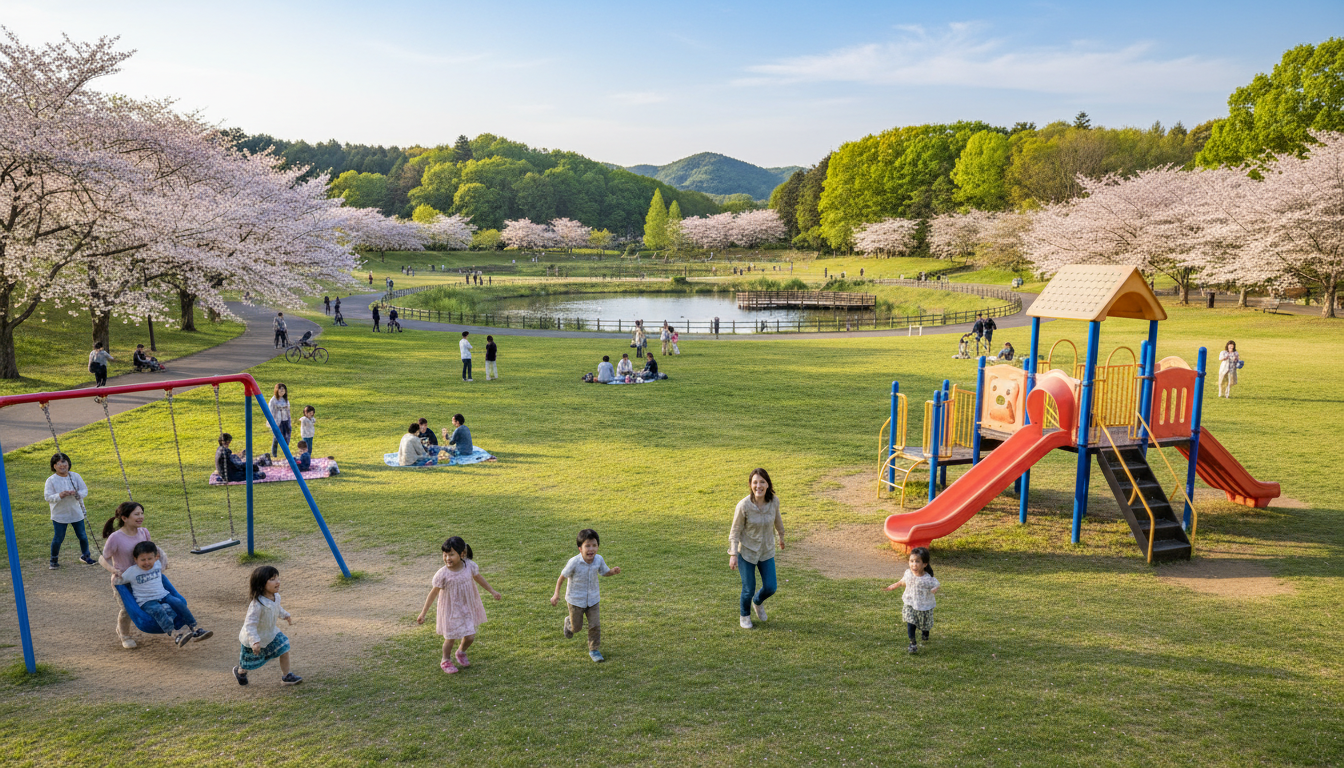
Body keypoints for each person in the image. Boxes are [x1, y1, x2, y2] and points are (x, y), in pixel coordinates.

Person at [416, 536, 502, 674]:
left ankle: (461, 652)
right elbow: (433, 594)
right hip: (450, 610)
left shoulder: (469, 566)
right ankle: (445, 660)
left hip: (466, 607)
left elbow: (479, 578)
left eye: (451, 554)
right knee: (450, 638)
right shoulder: (442, 574)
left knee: (470, 636)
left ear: (462, 554)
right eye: (445, 555)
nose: (447, 558)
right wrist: (423, 613)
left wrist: (492, 591)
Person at [120, 540, 212, 647]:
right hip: (146, 601)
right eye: (143, 560)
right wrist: (114, 573)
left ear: (156, 557)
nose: (147, 563)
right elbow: (119, 581)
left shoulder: (157, 564)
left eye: (150, 559)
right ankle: (175, 634)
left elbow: (163, 558)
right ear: (136, 559)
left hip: (163, 595)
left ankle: (195, 629)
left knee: (178, 602)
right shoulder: (131, 572)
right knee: (158, 610)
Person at [550, 528, 621, 663]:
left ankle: (594, 650)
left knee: (595, 625)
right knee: (576, 628)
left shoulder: (599, 560)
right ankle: (569, 623)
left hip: (593, 600)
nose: (591, 549)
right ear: (580, 548)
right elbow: (562, 577)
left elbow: (604, 572)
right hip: (575, 600)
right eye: (587, 545)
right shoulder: (574, 562)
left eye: (594, 545)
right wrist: (556, 594)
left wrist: (612, 571)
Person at [728, 468, 785, 629]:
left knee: (771, 587)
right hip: (746, 552)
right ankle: (744, 616)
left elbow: (777, 519)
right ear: (750, 485)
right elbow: (735, 532)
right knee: (748, 588)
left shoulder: (774, 501)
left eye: (762, 482)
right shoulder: (743, 506)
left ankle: (757, 602)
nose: (758, 485)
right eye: (755, 482)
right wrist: (733, 554)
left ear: (767, 484)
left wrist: (781, 536)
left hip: (766, 551)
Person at [99, 501, 160, 649]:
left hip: (142, 579)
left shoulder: (144, 532)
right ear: (125, 518)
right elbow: (103, 557)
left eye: (141, 513)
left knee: (148, 603)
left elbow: (150, 551)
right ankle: (124, 635)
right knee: (127, 609)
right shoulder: (116, 537)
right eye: (136, 514)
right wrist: (113, 570)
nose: (141, 517)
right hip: (123, 581)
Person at [233, 565, 301, 686]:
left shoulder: (276, 597)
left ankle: (286, 676)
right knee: (247, 663)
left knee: (284, 647)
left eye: (277, 578)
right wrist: (254, 641)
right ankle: (240, 672)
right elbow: (250, 624)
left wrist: (285, 615)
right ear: (260, 584)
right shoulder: (257, 605)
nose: (278, 582)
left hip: (271, 633)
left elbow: (277, 608)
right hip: (253, 637)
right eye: (272, 579)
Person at [45, 452, 96, 569]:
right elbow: (48, 497)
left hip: (76, 512)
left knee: (82, 536)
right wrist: (60, 495)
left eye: (64, 463)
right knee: (58, 538)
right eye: (58, 464)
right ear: (54, 466)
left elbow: (84, 490)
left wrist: (77, 494)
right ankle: (53, 559)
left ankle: (86, 556)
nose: (62, 466)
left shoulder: (75, 476)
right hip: (60, 515)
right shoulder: (51, 480)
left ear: (68, 464)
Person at [886, 546, 939, 654]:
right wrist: (895, 585)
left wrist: (934, 589)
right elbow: (903, 581)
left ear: (925, 564)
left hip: (924, 606)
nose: (913, 564)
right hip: (910, 603)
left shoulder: (927, 578)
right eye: (911, 561)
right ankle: (912, 643)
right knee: (911, 622)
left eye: (917, 561)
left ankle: (925, 632)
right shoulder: (908, 573)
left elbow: (936, 583)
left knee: (925, 624)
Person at [268, 383, 291, 458]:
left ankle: (286, 452)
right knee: (277, 436)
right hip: (278, 421)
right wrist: (273, 423)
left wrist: (289, 420)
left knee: (286, 435)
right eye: (280, 390)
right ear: (277, 390)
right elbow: (271, 412)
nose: (282, 392)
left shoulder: (285, 399)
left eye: (283, 390)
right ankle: (274, 452)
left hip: (285, 419)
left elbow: (288, 410)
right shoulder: (273, 400)